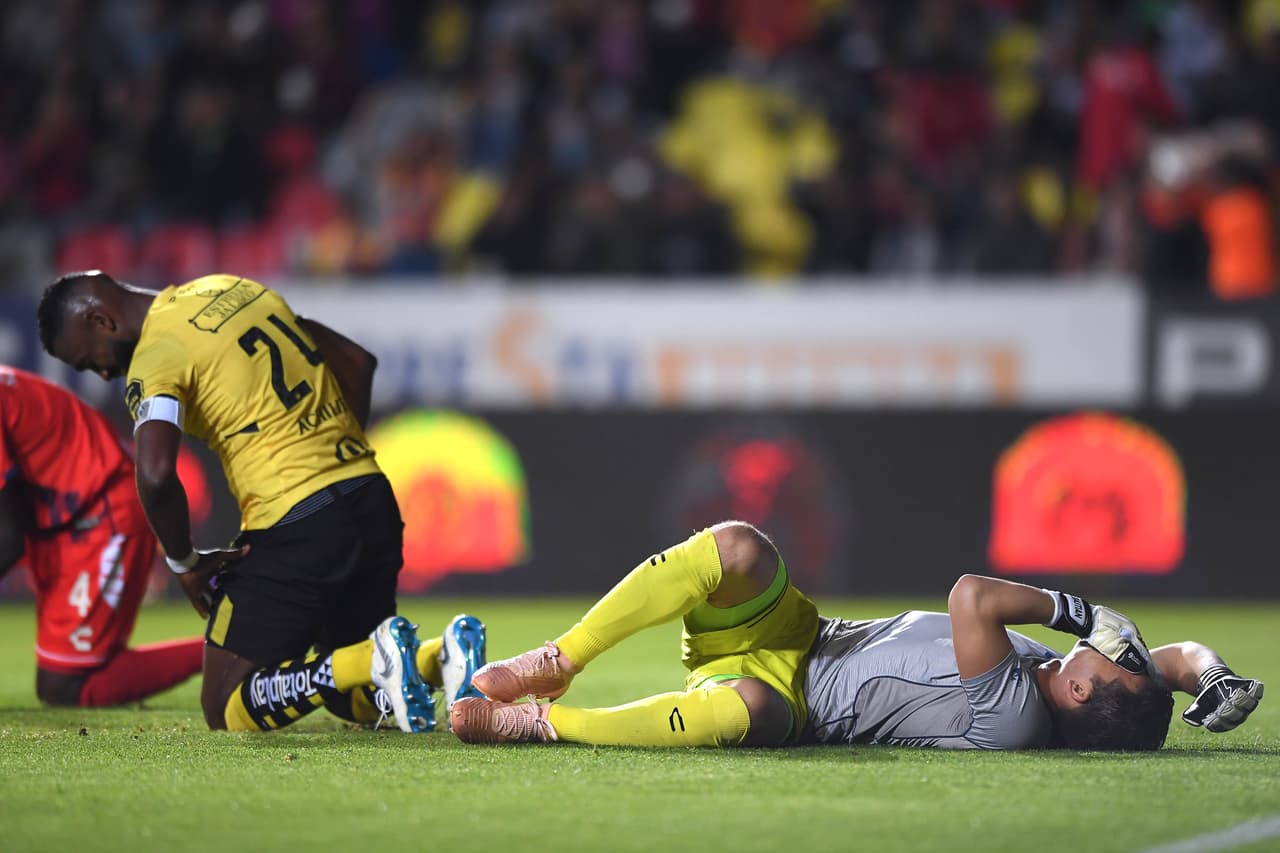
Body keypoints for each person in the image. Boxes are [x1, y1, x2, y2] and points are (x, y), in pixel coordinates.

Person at [37, 270, 486, 732]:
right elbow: (356, 360)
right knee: (355, 696)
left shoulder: (156, 355)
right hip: (369, 496)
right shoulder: (234, 289)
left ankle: (379, 657)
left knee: (224, 704)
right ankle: (444, 656)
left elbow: (153, 474)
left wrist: (184, 562)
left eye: (91, 362)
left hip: (295, 520)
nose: (106, 373)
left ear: (100, 320)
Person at [449, 521, 1263, 750]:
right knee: (740, 547)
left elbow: (970, 595)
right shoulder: (1079, 684)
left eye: (1113, 661)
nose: (1122, 647)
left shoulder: (1018, 713)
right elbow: (1175, 661)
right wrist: (1214, 675)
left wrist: (1076, 612)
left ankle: (545, 722)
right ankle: (561, 660)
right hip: (808, 633)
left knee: (742, 709)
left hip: (795, 698)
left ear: (1082, 689)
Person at [0, 365, 205, 708]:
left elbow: (7, 536)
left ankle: (228, 649)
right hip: (63, 519)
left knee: (64, 684)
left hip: (101, 510)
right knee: (60, 679)